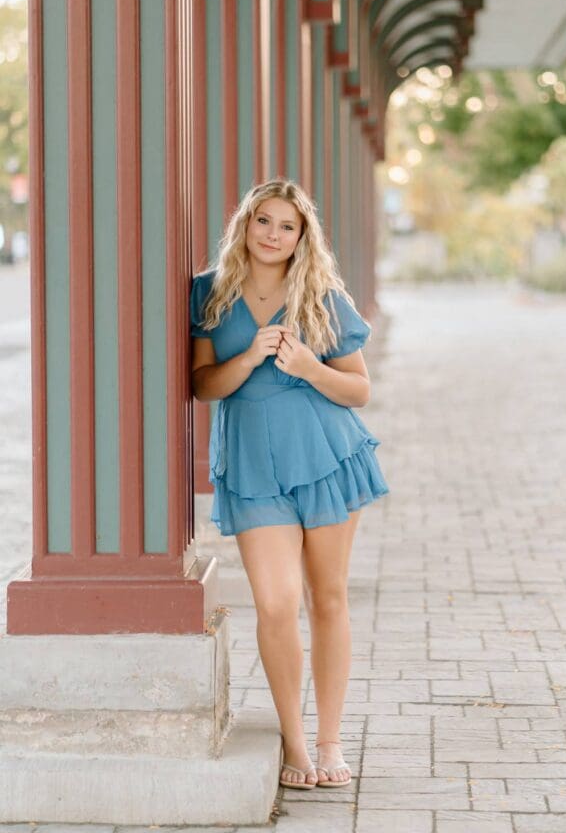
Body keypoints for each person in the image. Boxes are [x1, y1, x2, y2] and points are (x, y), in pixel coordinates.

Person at [190, 178, 389, 791]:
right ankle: (295, 743)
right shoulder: (210, 293)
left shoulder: (322, 296)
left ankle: (330, 741)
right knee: (276, 604)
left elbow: (359, 390)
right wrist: (247, 359)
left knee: (327, 598)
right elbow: (202, 385)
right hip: (253, 467)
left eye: (287, 226)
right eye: (264, 222)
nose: (273, 235)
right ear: (244, 226)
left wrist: (306, 366)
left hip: (326, 457)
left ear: (303, 236)